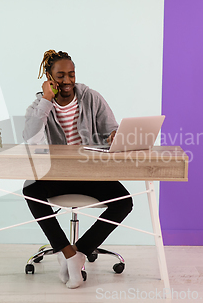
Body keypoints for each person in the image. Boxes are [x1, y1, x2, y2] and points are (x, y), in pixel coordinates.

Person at [22, 50, 133, 289]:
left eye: (71, 74)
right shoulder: (38, 106)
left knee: (124, 202)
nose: (67, 80)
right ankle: (66, 251)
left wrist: (113, 136)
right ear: (49, 78)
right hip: (56, 174)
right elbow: (30, 139)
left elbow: (110, 129)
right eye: (60, 75)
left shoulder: (91, 98)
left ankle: (80, 251)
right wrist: (46, 101)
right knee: (30, 190)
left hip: (90, 172)